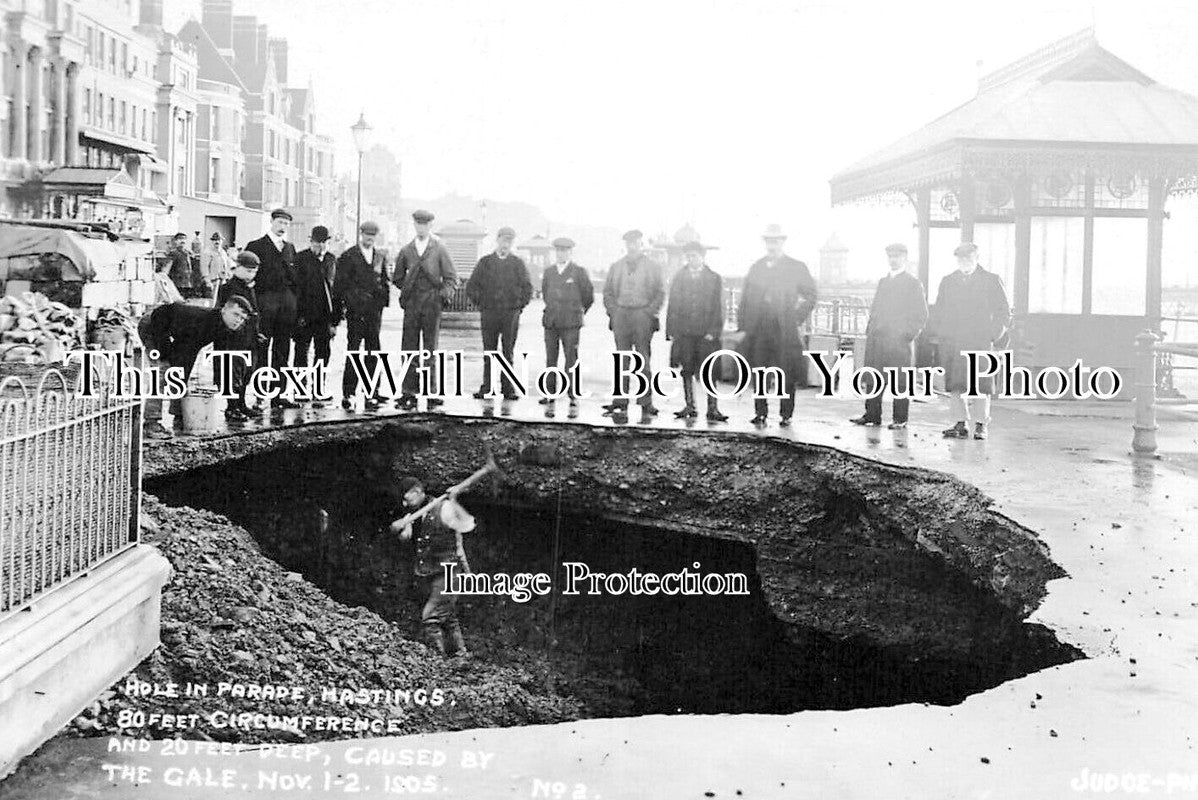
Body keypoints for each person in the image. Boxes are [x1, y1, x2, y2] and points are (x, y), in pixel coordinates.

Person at [927, 242, 1011, 440]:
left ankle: (981, 424)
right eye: (961, 259)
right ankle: (959, 423)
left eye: (968, 258)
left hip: (980, 340)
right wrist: (942, 334)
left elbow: (1003, 312)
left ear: (977, 258)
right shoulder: (948, 281)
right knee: (956, 382)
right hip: (954, 341)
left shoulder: (991, 280)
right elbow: (939, 310)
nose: (964, 262)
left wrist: (993, 334)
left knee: (981, 383)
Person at [138, 297, 253, 438]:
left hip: (176, 333)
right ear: (224, 310)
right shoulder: (202, 318)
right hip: (153, 323)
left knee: (181, 372)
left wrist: (221, 383)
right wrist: (164, 350)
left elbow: (218, 358)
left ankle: (180, 416)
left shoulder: (224, 330)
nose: (238, 321)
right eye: (235, 314)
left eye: (242, 319)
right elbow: (161, 314)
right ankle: (151, 423)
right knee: (163, 372)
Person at [739, 223, 818, 426]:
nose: (772, 245)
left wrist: (796, 317)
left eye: (775, 241)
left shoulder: (795, 267)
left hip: (784, 329)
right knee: (760, 371)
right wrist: (744, 327)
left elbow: (811, 295)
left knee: (786, 371)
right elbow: (745, 299)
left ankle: (786, 414)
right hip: (760, 329)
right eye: (768, 241)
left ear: (783, 242)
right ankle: (761, 412)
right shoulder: (757, 267)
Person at [391, 476, 476, 658]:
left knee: (430, 617)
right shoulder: (412, 515)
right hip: (429, 573)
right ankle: (461, 655)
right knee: (447, 615)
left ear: (417, 492)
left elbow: (468, 524)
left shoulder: (443, 508)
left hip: (449, 572)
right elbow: (404, 538)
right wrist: (403, 530)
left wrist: (453, 502)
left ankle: (438, 661)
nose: (404, 504)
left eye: (407, 499)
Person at [850, 243, 928, 430]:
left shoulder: (912, 283)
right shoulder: (883, 282)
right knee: (874, 378)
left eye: (897, 256)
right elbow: (875, 309)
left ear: (905, 259)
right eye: (891, 257)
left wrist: (906, 335)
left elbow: (921, 315)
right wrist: (871, 330)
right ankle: (872, 415)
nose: (893, 260)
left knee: (899, 381)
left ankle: (900, 419)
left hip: (899, 342)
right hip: (878, 339)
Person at [393, 210, 458, 409]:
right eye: (418, 224)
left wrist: (442, 295)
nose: (421, 228)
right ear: (414, 225)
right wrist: (409, 288)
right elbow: (397, 278)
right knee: (409, 349)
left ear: (430, 226)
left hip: (432, 305)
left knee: (430, 349)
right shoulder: (406, 250)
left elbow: (451, 278)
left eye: (425, 224)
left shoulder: (439, 249)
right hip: (412, 305)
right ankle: (408, 392)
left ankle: (432, 392)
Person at [602, 229, 664, 421]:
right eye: (629, 243)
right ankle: (620, 401)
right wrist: (614, 311)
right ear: (626, 245)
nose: (632, 246)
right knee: (622, 360)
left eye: (636, 243)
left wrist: (648, 312)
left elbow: (660, 293)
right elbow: (608, 292)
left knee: (643, 360)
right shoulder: (617, 266)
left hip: (642, 317)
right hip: (622, 316)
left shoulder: (652, 267)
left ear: (641, 244)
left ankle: (646, 402)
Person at [467, 226, 533, 400]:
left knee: (508, 352)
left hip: (510, 315)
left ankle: (507, 388)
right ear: (497, 241)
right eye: (503, 240)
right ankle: (487, 387)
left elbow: (527, 288)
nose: (506, 244)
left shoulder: (517, 264)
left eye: (509, 241)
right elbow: (471, 287)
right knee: (489, 352)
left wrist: (518, 306)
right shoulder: (485, 263)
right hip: (489, 314)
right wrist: (481, 303)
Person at [244, 208, 299, 408]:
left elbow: (295, 281)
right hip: (264, 308)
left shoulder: (290, 248)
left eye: (286, 224)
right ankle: (260, 396)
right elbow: (249, 279)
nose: (283, 227)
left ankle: (279, 395)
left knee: (282, 351)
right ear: (272, 222)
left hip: (285, 311)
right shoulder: (256, 246)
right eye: (280, 222)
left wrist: (293, 303)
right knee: (261, 350)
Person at [666, 241, 727, 422]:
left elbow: (719, 307)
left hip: (706, 333)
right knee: (686, 368)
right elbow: (673, 306)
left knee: (709, 370)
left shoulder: (714, 278)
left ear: (702, 257)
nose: (691, 260)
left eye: (695, 256)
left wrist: (714, 331)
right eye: (689, 256)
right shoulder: (680, 278)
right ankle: (690, 405)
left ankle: (712, 407)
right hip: (685, 333)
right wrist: (672, 330)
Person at [334, 221, 390, 411]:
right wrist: (350, 303)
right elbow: (340, 286)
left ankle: (372, 391)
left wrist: (381, 300)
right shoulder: (349, 256)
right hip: (356, 312)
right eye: (366, 234)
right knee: (354, 351)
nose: (369, 238)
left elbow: (384, 281)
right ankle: (348, 392)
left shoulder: (380, 257)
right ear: (361, 235)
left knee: (374, 351)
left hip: (374, 313)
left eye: (373, 235)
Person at [540, 236, 593, 415]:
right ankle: (550, 392)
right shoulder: (549, 272)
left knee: (571, 358)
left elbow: (588, 296)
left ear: (570, 252)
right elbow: (546, 293)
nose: (561, 254)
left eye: (565, 250)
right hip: (552, 321)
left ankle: (572, 394)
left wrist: (577, 312)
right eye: (558, 250)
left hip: (571, 323)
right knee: (551, 358)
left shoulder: (578, 272)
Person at [293, 224, 340, 406]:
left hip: (324, 317)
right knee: (301, 353)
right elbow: (296, 289)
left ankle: (318, 389)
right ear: (310, 242)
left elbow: (336, 291)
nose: (320, 246)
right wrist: (298, 316)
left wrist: (335, 320)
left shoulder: (331, 260)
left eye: (323, 243)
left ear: (328, 243)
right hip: (304, 316)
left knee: (323, 354)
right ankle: (300, 389)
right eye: (316, 242)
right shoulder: (301, 258)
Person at [215, 251, 263, 420]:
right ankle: (232, 407)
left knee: (247, 372)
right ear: (238, 268)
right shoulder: (228, 288)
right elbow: (223, 315)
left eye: (254, 272)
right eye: (249, 271)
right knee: (232, 372)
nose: (252, 275)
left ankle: (241, 404)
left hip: (249, 338)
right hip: (232, 339)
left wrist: (257, 333)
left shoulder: (250, 288)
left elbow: (254, 313)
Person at [201, 232, 232, 303]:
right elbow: (204, 267)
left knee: (222, 301)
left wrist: (228, 276)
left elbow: (227, 265)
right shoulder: (207, 252)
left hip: (223, 281)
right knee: (212, 301)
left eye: (219, 240)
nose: (217, 242)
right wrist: (207, 280)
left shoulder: (223, 252)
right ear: (212, 241)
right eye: (214, 240)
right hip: (213, 281)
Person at [165, 232, 195, 298]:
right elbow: (167, 268)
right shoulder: (173, 253)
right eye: (180, 239)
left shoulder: (188, 253)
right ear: (175, 241)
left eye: (184, 239)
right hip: (177, 283)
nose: (182, 241)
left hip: (188, 283)